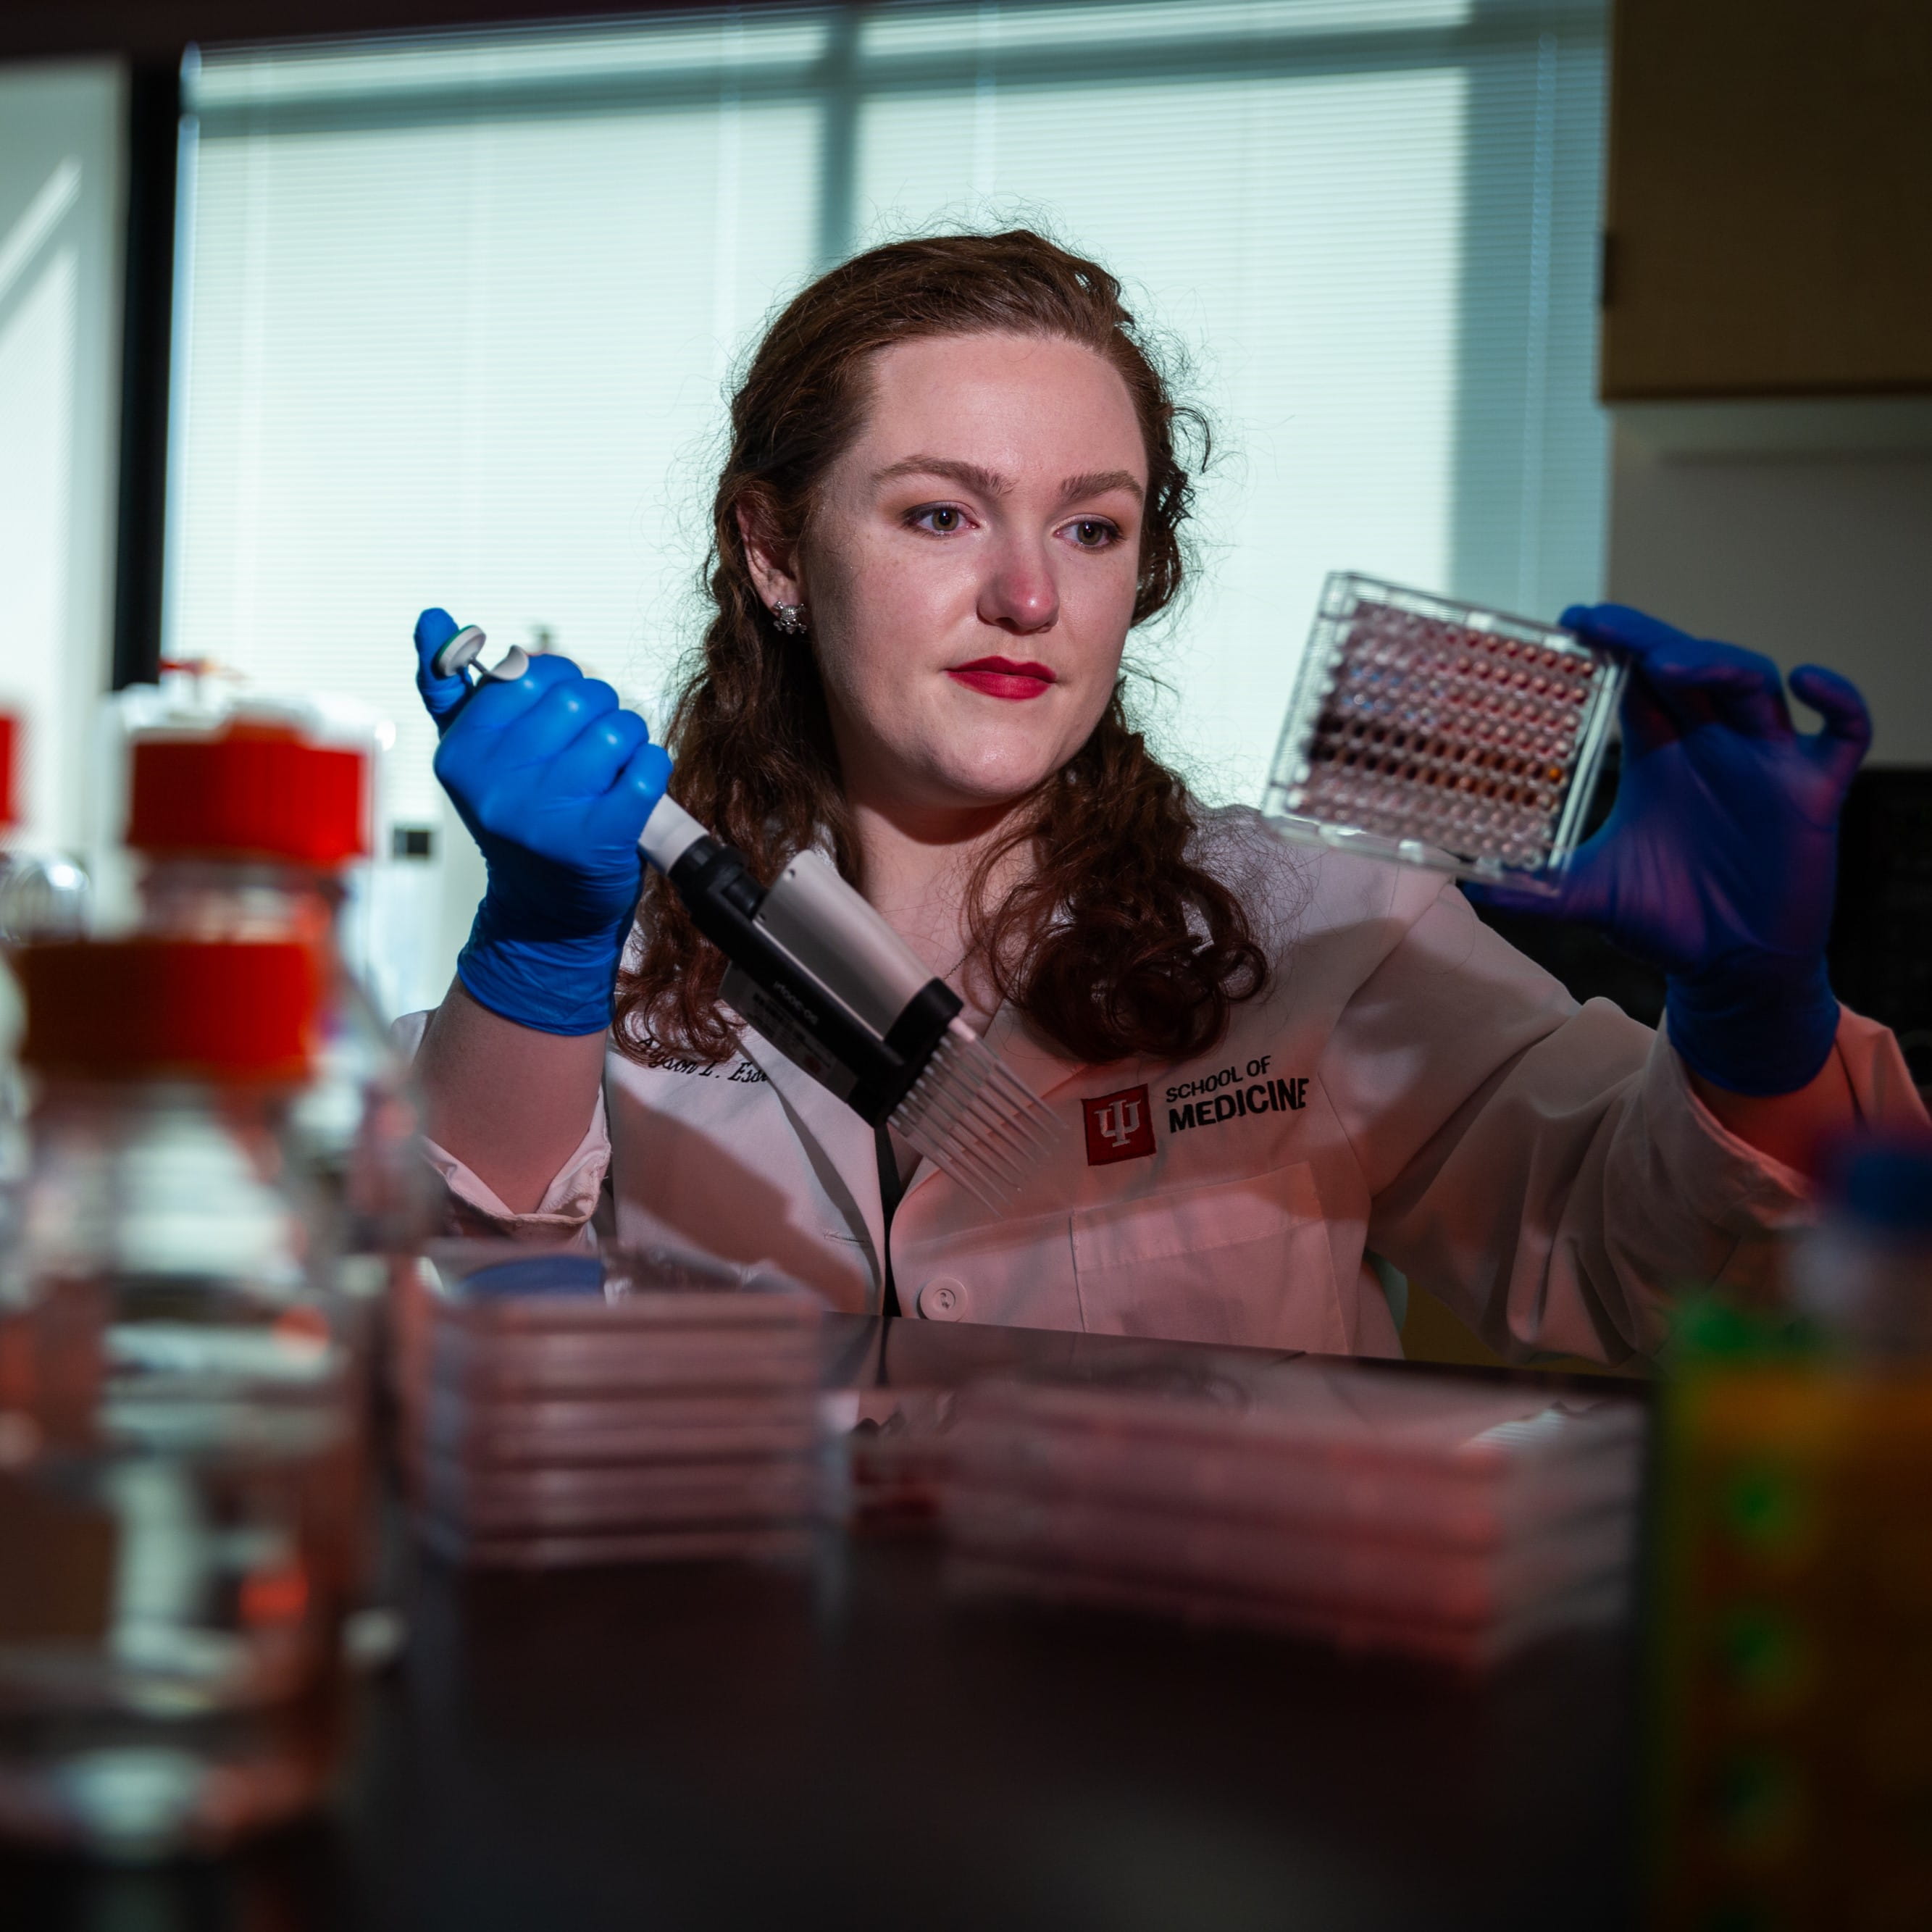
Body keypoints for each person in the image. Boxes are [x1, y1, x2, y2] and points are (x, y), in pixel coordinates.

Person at [399, 230, 1925, 1363]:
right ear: (776, 550)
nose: (1023, 592)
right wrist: (537, 960)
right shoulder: (611, 937)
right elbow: (424, 1341)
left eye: (1089, 527)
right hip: (737, 1741)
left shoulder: (1319, 931)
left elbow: (1653, 1280)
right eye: (939, 512)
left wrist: (1755, 1029)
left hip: (1214, 1749)